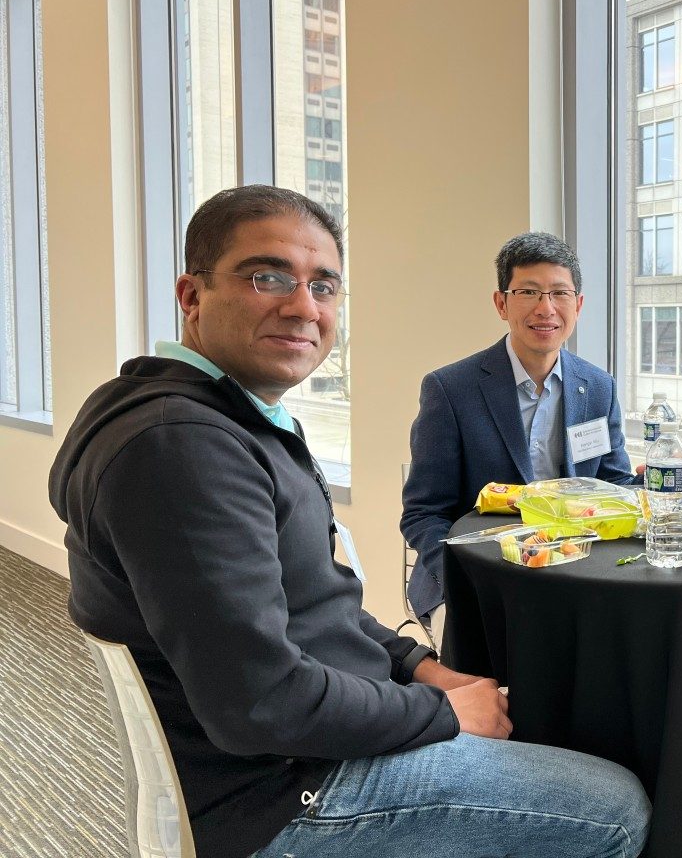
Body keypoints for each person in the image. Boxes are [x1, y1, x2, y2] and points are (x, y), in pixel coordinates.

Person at [50, 186, 650, 858]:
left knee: (547, 723)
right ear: (192, 297)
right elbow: (260, 703)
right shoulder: (182, 448)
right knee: (618, 804)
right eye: (268, 276)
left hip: (314, 741)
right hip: (288, 794)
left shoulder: (225, 423)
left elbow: (319, 607)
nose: (304, 306)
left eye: (324, 285)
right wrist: (442, 713)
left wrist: (426, 669)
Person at [401, 231, 637, 618]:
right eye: (528, 292)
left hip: (577, 572)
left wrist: (656, 485)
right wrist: (463, 580)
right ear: (501, 303)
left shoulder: (598, 387)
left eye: (559, 293)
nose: (546, 309)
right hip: (476, 579)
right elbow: (424, 512)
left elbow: (613, 485)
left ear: (577, 305)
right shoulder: (450, 389)